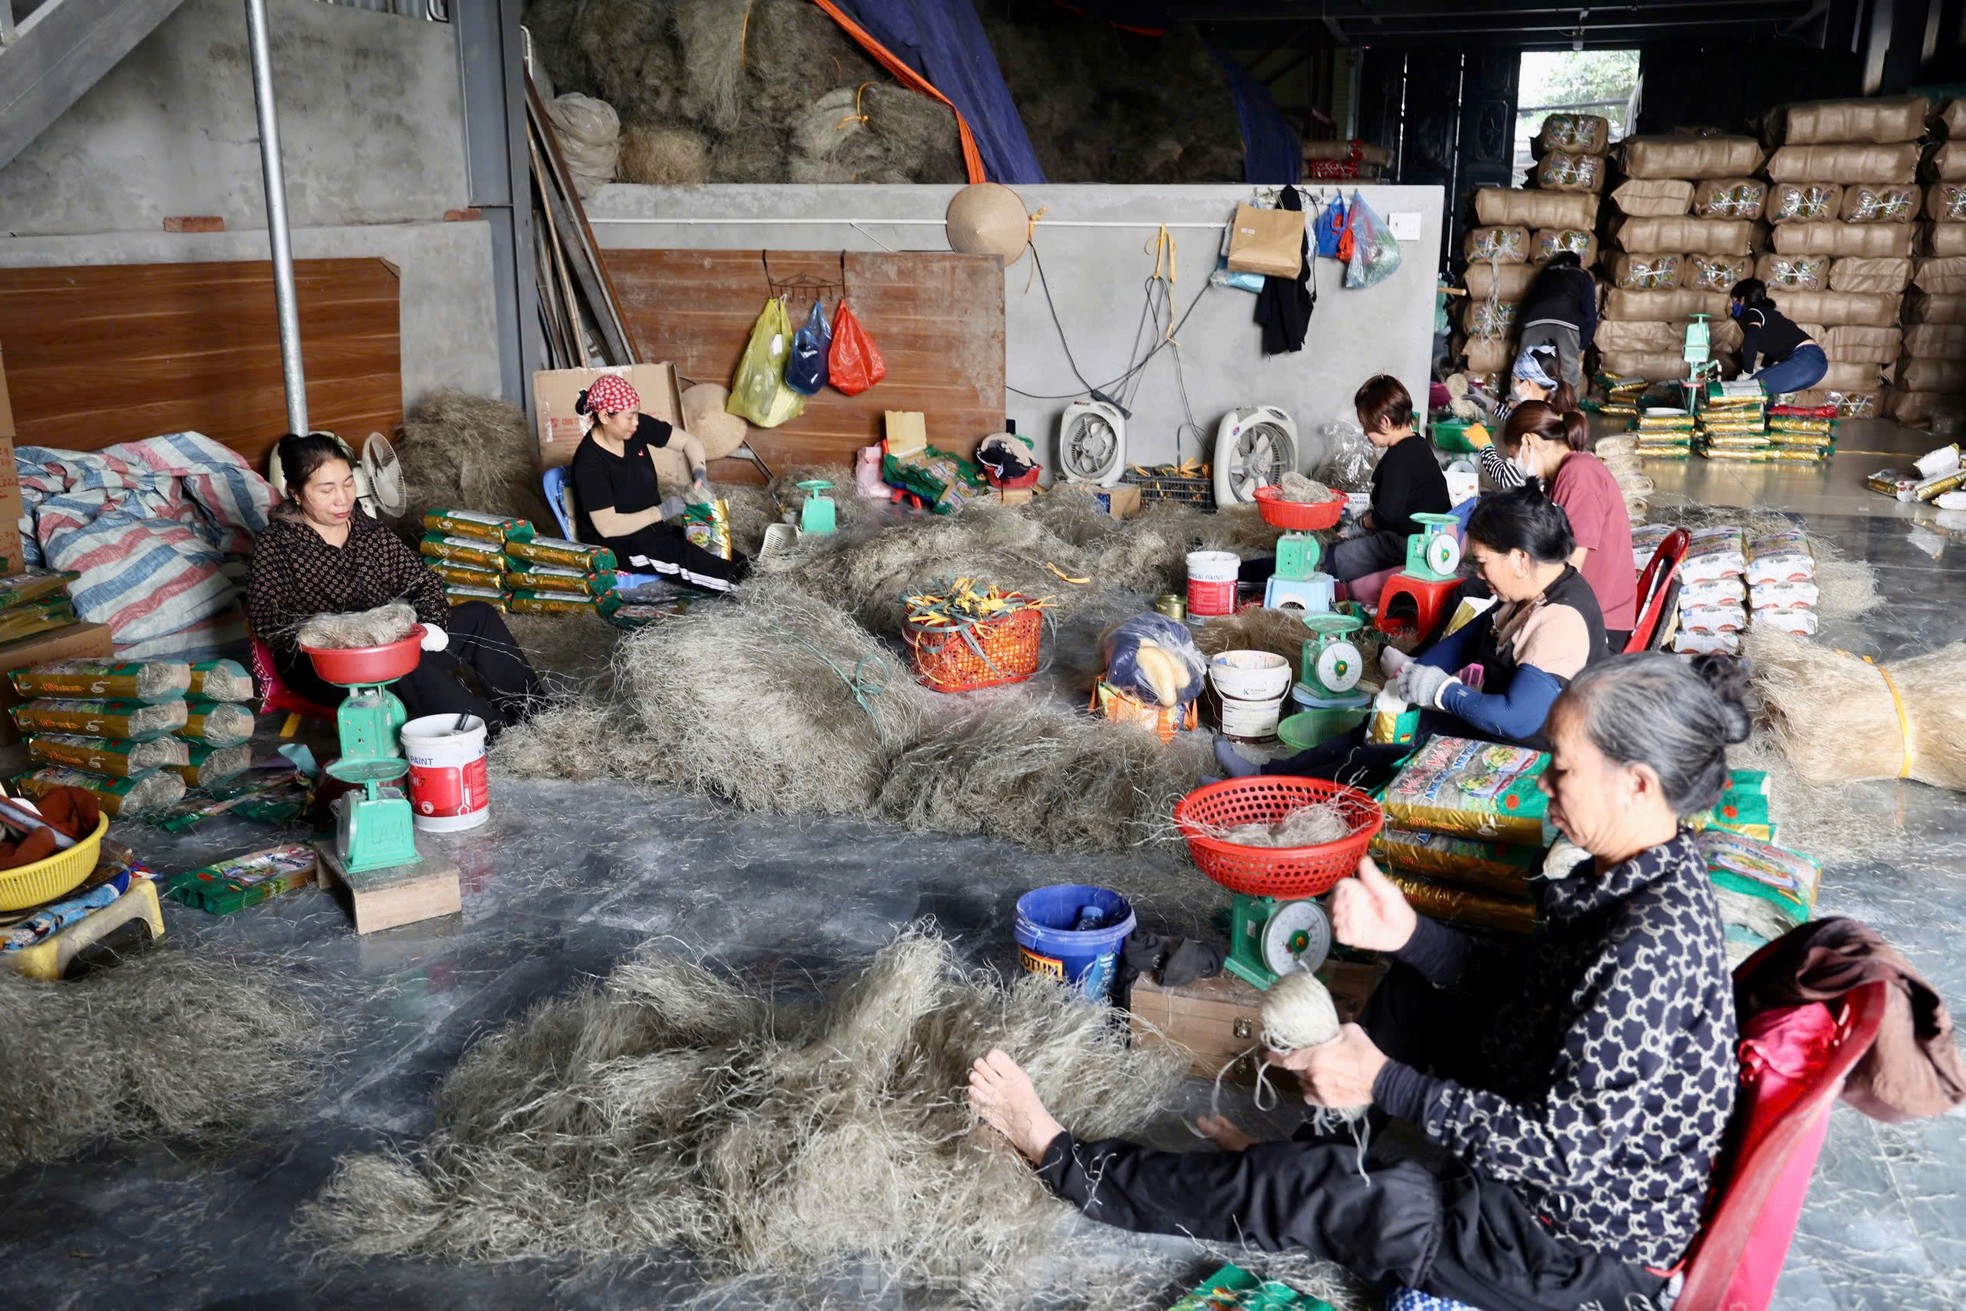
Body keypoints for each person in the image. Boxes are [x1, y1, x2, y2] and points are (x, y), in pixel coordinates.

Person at [972, 652, 1747, 1311]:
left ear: (1638, 784)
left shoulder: (1653, 947)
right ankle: (1305, 1156)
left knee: (1339, 1195)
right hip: (1543, 1144)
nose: (1547, 787)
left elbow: (1561, 1154)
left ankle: (1067, 1161)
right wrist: (1410, 933)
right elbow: (1525, 992)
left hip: (1567, 1242)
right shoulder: (1634, 875)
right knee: (1413, 986)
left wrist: (1387, 1080)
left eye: (1565, 769)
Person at [1217, 481, 1606, 787]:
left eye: (1484, 563)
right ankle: (1269, 774)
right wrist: (1412, 671)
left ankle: (1282, 793)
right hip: (1495, 726)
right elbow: (1473, 637)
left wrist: (1441, 691)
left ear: (1520, 557)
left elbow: (1517, 719)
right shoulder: (1532, 588)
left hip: (1524, 755)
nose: (1480, 574)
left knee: (1392, 746)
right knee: (1378, 720)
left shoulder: (1561, 620)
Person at [248, 432, 543, 733]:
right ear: (296, 493)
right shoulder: (277, 544)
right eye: (326, 490)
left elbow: (424, 583)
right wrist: (350, 631)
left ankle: (534, 712)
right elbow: (267, 620)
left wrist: (429, 624)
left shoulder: (370, 532)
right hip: (326, 668)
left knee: (478, 616)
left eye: (348, 483)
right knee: (396, 657)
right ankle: (492, 731)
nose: (343, 498)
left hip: (389, 648)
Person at [568, 374, 747, 593]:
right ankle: (747, 590)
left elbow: (689, 442)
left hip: (652, 529)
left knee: (708, 544)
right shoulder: (589, 462)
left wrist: (699, 471)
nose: (636, 421)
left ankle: (754, 573)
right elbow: (607, 527)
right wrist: (660, 512)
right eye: (629, 416)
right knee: (683, 557)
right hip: (619, 545)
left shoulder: (634, 427)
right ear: (605, 416)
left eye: (636, 413)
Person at [1498, 401, 1636, 648]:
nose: (1515, 464)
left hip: (1599, 624)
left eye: (1513, 455)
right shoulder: (1564, 475)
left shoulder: (1580, 476)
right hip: (1581, 609)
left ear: (1528, 442)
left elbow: (1569, 567)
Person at [1329, 375, 1450, 584]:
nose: (1365, 433)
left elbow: (1387, 516)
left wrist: (1362, 523)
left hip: (1411, 545)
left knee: (1332, 557)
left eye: (1365, 425)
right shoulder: (1418, 445)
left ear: (1384, 422)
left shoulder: (1399, 459)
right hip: (1434, 539)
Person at [1466, 344, 1577, 492]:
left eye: (1514, 381)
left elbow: (1511, 479)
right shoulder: (1547, 409)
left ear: (1529, 384)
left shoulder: (1542, 422)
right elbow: (1518, 418)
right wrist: (1490, 404)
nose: (1513, 387)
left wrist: (1485, 448)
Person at [1731, 278, 1828, 397]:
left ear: (1742, 299)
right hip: (1814, 365)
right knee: (1765, 394)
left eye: (1734, 300)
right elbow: (1774, 346)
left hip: (1805, 359)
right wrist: (1763, 368)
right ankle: (1765, 415)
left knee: (1753, 386)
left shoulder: (1753, 312)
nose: (1732, 305)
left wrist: (1747, 372)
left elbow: (1751, 340)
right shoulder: (1769, 315)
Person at [1516, 251, 1597, 390]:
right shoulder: (1582, 275)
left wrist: (1520, 334)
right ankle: (1569, 405)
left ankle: (1514, 401)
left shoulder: (1545, 274)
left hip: (1535, 318)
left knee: (1525, 359)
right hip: (1566, 321)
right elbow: (1589, 312)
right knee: (1568, 366)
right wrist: (1583, 342)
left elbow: (1529, 301)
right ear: (1577, 264)